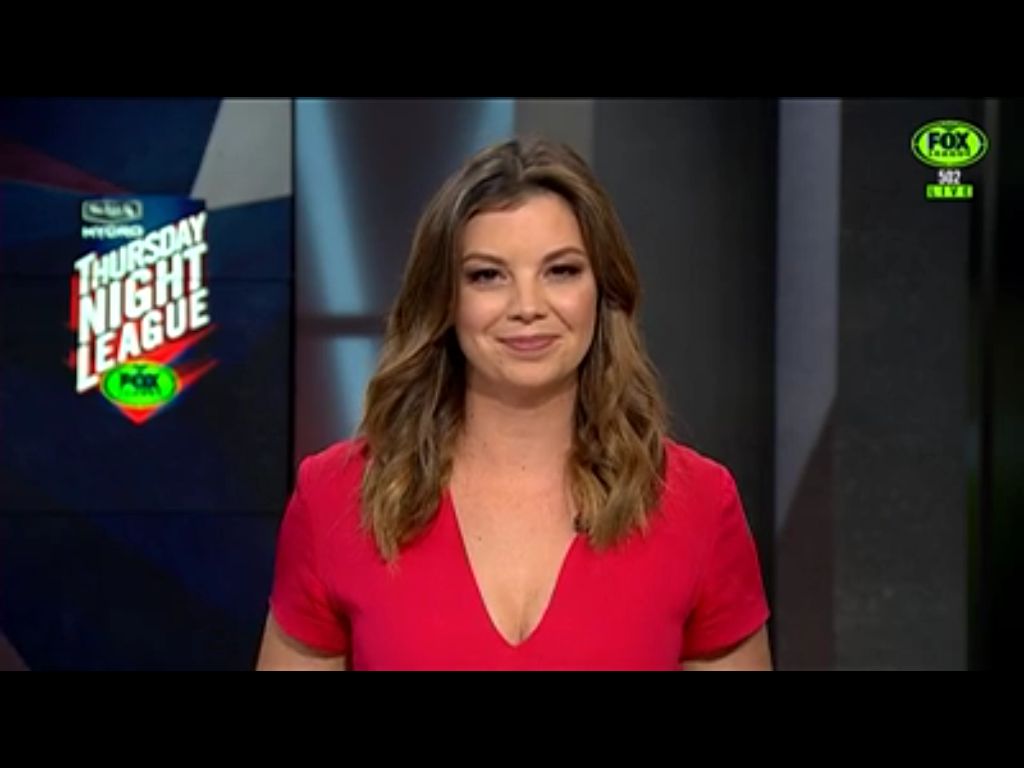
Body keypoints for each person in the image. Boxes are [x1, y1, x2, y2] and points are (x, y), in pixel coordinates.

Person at [256, 137, 771, 671]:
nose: (527, 306)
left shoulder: (698, 504)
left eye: (561, 271)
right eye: (488, 275)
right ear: (444, 300)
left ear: (604, 290)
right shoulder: (336, 499)